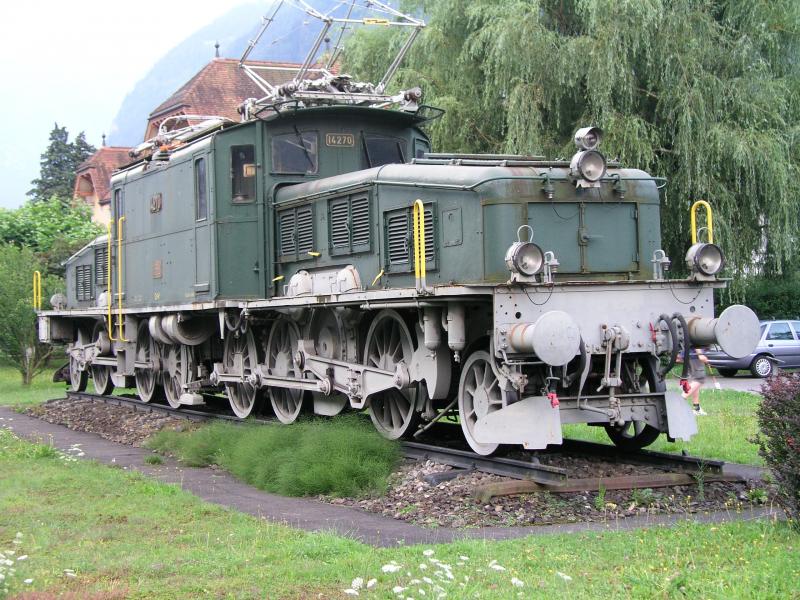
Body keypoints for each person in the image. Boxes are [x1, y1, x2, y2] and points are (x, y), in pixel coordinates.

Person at [680, 347, 709, 416]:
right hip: (694, 355)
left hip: (690, 354)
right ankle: (679, 401)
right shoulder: (697, 352)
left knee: (696, 381)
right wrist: (700, 354)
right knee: (699, 379)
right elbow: (696, 341)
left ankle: (697, 408)